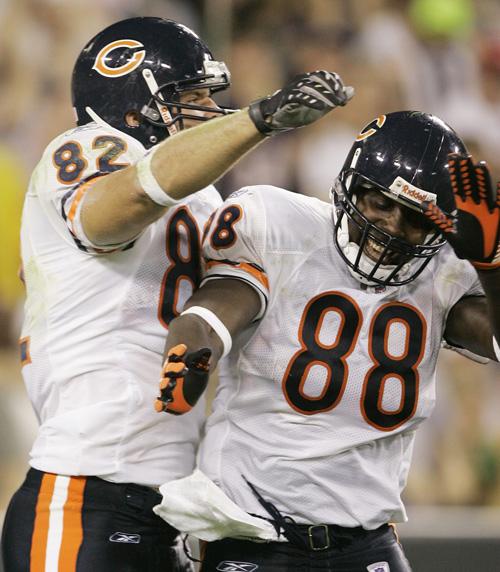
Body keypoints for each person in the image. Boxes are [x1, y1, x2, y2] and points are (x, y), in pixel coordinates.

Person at [0, 16, 354, 572]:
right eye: (189, 98)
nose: (208, 112)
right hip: (87, 489)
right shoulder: (87, 147)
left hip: (175, 501)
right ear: (136, 103)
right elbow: (112, 213)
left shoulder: (207, 198)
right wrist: (255, 121)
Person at [153, 111, 500, 571]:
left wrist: (492, 268)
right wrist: (194, 347)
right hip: (253, 527)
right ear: (350, 187)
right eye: (381, 204)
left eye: (416, 220)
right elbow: (217, 308)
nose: (393, 228)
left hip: (366, 539)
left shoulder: (444, 278)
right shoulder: (284, 229)